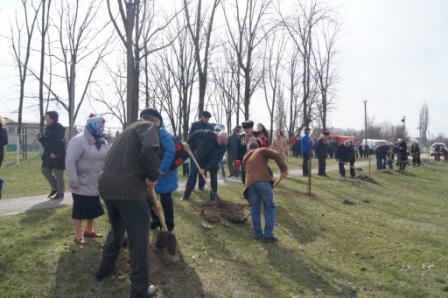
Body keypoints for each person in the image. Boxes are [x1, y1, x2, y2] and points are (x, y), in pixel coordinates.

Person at [95, 109, 161, 297]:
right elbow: (150, 150)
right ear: (155, 121)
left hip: (107, 186)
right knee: (139, 240)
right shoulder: (148, 127)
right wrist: (152, 175)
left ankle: (104, 269)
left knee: (116, 229)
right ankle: (140, 289)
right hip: (128, 190)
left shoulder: (126, 131)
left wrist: (149, 197)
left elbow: (130, 163)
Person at [66, 116, 108, 246]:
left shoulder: (102, 141)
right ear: (93, 125)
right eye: (100, 126)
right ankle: (78, 236)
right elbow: (70, 160)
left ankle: (89, 230)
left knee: (92, 208)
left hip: (95, 182)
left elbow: (106, 158)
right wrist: (74, 179)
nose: (102, 128)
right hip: (81, 182)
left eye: (103, 126)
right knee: (79, 209)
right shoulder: (78, 140)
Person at [140, 109, 179, 233]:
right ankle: (156, 220)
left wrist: (163, 168)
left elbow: (170, 149)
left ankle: (168, 224)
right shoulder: (148, 132)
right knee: (150, 198)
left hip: (164, 173)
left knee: (166, 199)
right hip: (154, 171)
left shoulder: (161, 132)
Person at [242, 141, 288, 242]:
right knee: (269, 207)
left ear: (249, 149)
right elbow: (276, 154)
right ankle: (268, 235)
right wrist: (283, 169)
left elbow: (244, 176)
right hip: (262, 182)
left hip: (249, 185)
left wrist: (246, 190)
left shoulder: (245, 158)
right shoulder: (261, 150)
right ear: (257, 147)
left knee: (255, 208)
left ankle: (257, 234)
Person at [182, 130, 228, 201]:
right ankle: (186, 195)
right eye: (221, 141)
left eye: (223, 142)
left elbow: (215, 160)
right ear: (218, 137)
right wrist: (187, 142)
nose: (221, 143)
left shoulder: (223, 146)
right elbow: (196, 133)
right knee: (192, 175)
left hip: (211, 163)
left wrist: (205, 169)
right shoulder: (209, 134)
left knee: (214, 178)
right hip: (199, 159)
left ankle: (213, 197)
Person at [38, 111, 66, 200]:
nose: (45, 119)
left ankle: (60, 193)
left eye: (46, 117)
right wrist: (41, 139)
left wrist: (55, 153)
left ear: (52, 118)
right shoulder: (48, 128)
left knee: (58, 174)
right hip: (48, 155)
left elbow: (60, 142)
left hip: (57, 155)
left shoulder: (59, 128)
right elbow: (47, 142)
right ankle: (55, 187)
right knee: (44, 170)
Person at [189, 111, 213, 190]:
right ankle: (191, 187)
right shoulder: (195, 125)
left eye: (208, 118)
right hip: (195, 152)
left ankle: (201, 187)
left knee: (203, 171)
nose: (207, 120)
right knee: (193, 171)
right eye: (206, 118)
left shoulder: (210, 126)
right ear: (202, 117)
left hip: (205, 153)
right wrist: (190, 149)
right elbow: (191, 137)